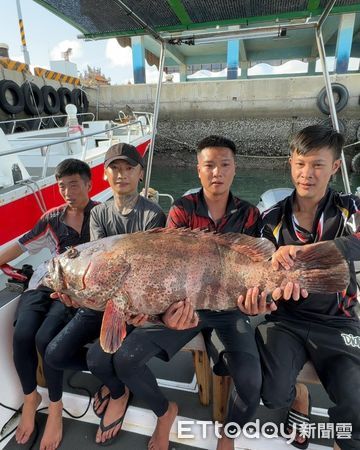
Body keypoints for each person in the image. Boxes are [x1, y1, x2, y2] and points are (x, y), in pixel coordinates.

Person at [86, 135, 263, 450]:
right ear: (198, 170)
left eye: (225, 164)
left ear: (235, 168)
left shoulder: (250, 215)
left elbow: (254, 269)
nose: (217, 172)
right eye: (209, 165)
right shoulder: (182, 210)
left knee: (251, 380)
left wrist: (253, 304)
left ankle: (229, 434)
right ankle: (165, 412)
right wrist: (165, 314)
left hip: (229, 309)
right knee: (126, 359)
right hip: (184, 306)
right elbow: (163, 269)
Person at [238, 124, 360, 450]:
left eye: (318, 165)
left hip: (339, 320)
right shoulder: (270, 219)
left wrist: (313, 252)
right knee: (272, 394)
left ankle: (341, 439)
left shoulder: (351, 209)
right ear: (290, 162)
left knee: (356, 403)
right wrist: (259, 300)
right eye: (300, 163)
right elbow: (258, 275)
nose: (307, 173)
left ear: (335, 167)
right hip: (286, 320)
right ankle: (299, 397)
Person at [44, 142, 166, 445]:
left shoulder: (153, 214)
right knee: (54, 353)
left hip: (135, 301)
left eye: (128, 168)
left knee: (100, 358)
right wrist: (74, 290)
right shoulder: (99, 214)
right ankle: (118, 385)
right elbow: (97, 259)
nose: (121, 174)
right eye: (115, 168)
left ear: (140, 173)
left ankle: (117, 392)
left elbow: (142, 268)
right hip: (101, 300)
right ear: (105, 174)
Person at [0, 159, 96, 450]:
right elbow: (22, 245)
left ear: (89, 185)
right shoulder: (52, 218)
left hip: (72, 292)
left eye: (74, 184)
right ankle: (31, 397)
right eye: (61, 185)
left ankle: (56, 406)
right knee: (22, 335)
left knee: (45, 339)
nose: (67, 191)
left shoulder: (101, 217)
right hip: (44, 282)